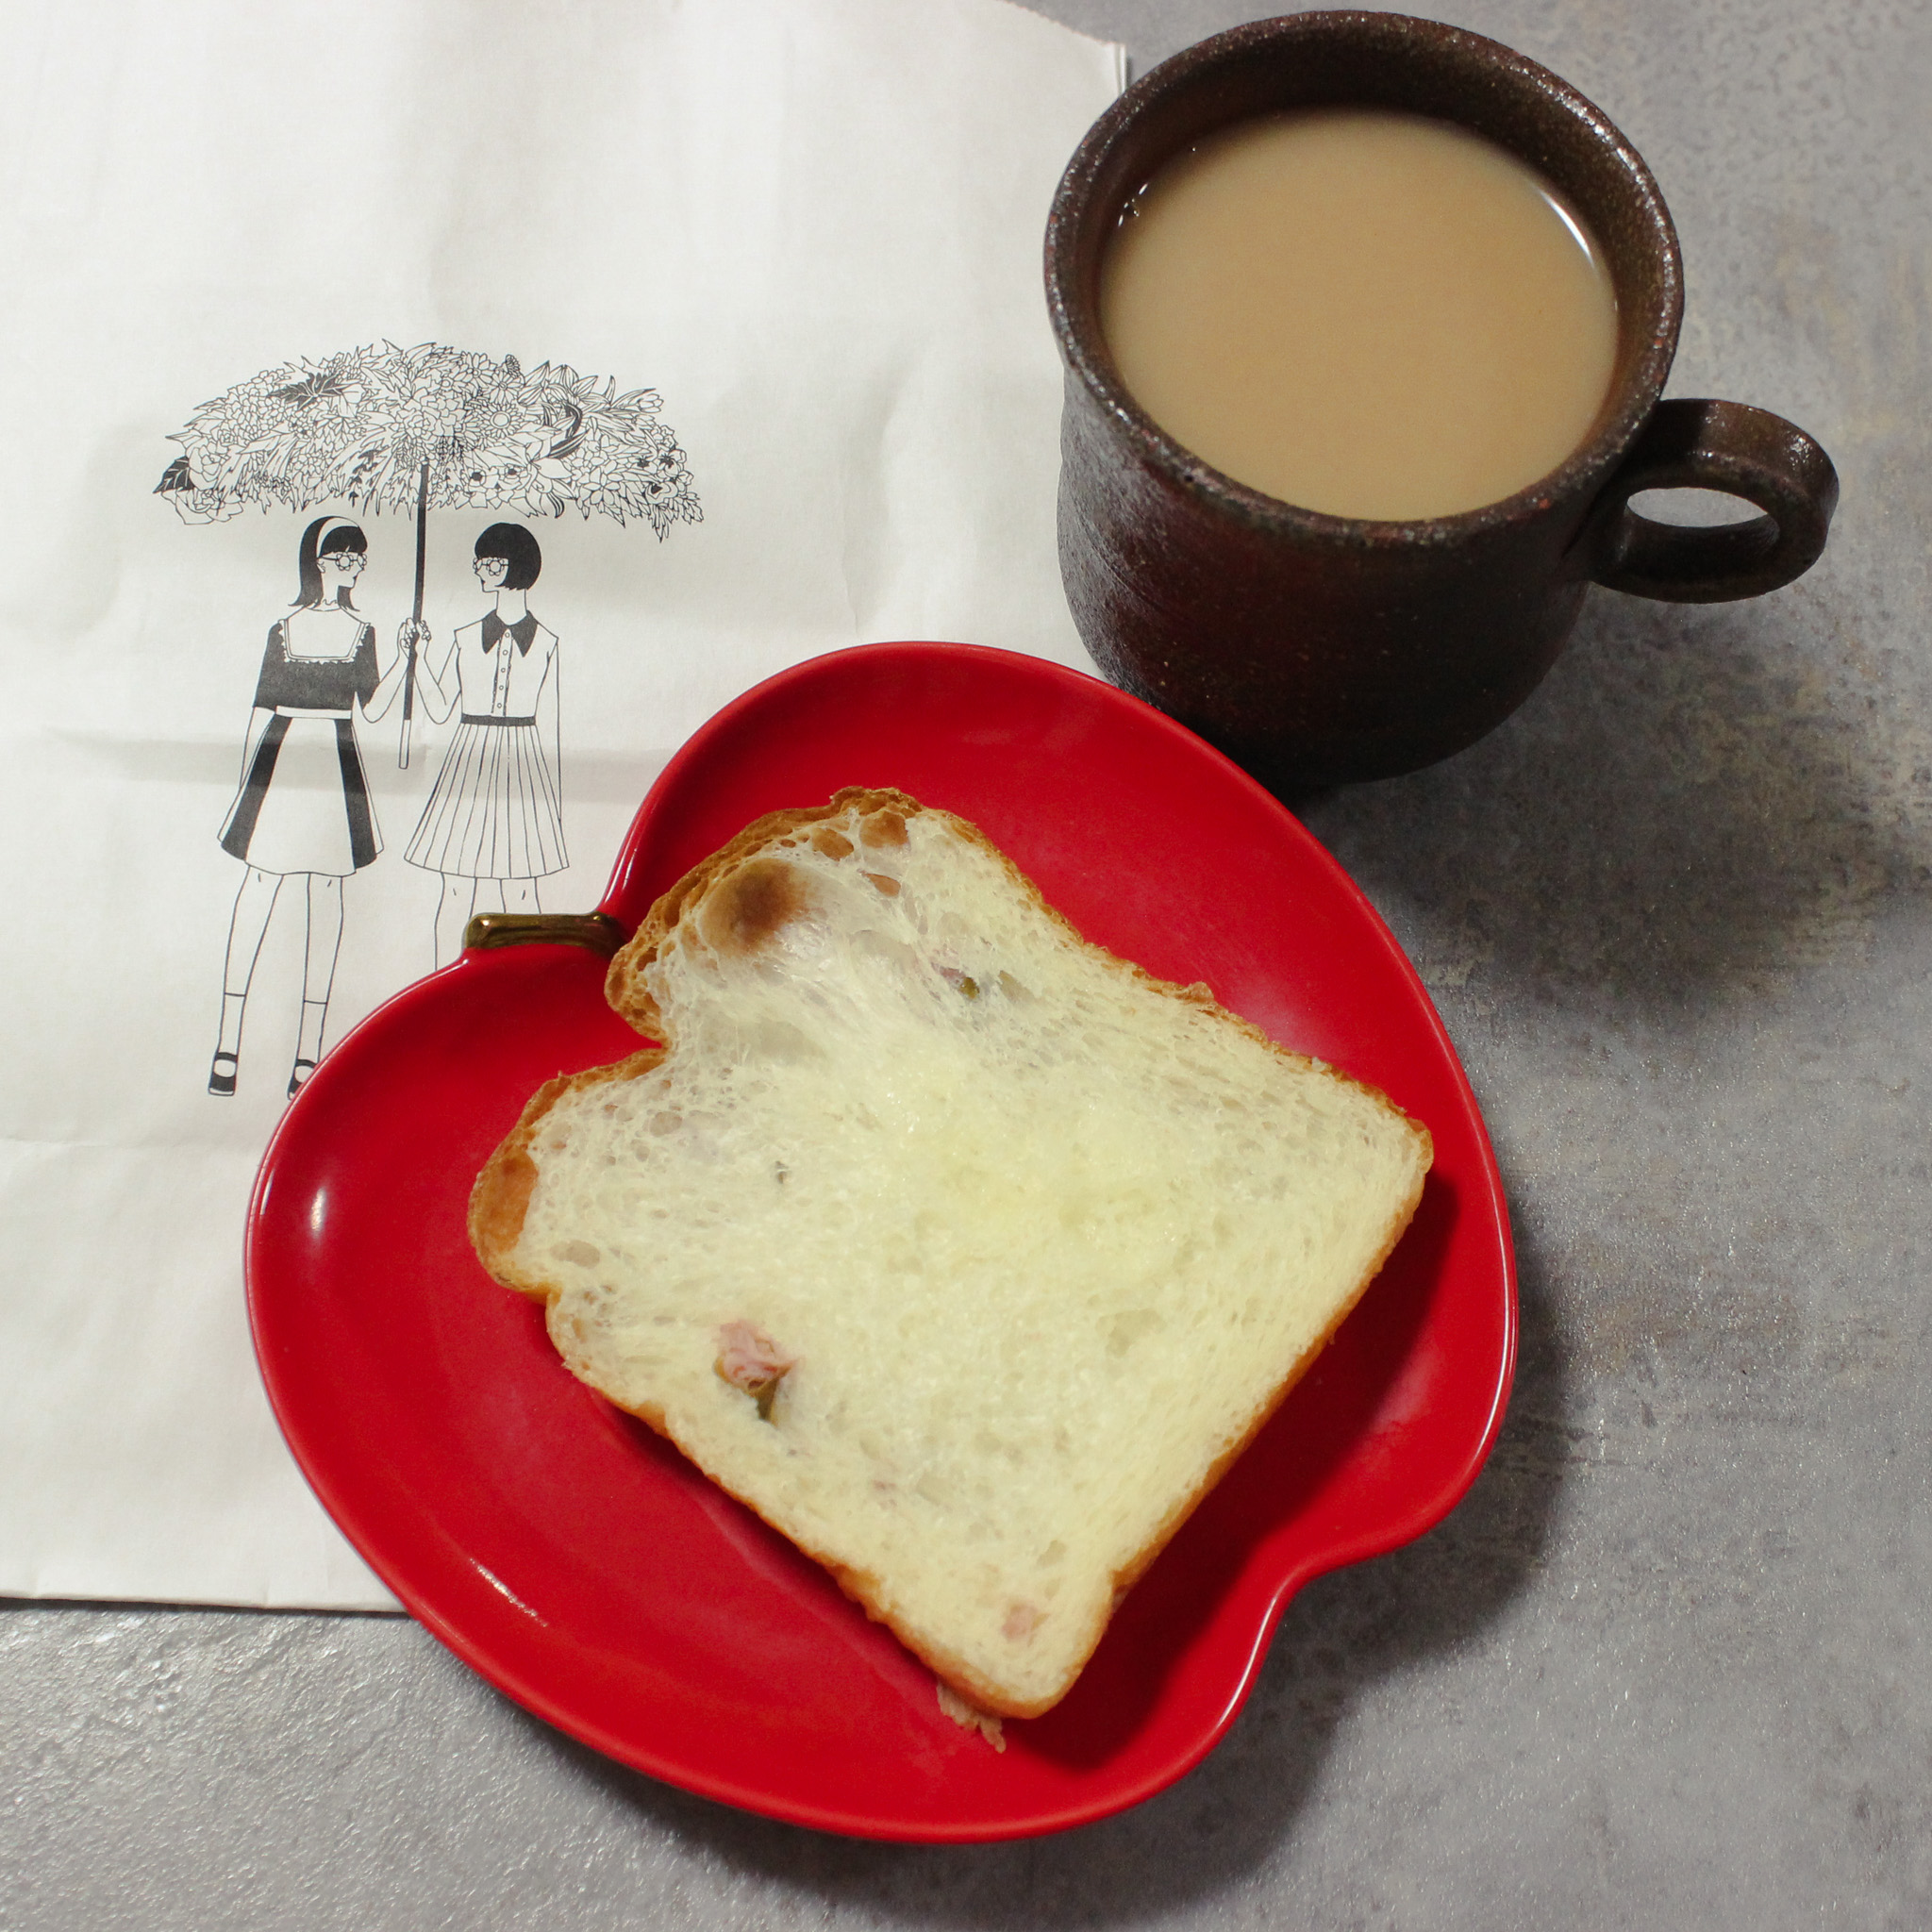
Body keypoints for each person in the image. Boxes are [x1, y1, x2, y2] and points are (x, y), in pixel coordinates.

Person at [208, 515, 409, 1097]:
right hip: (282, 758)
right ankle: (227, 1045)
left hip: (336, 761)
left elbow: (372, 710)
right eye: (343, 555)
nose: (354, 565)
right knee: (259, 887)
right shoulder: (283, 628)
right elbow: (259, 708)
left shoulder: (364, 631)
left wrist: (406, 658)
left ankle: (307, 1057)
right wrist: (241, 791)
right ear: (318, 561)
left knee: (325, 894)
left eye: (359, 557)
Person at [403, 523, 566, 966]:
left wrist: (553, 805)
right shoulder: (462, 637)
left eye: (489, 563)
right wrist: (417, 658)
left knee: (522, 889)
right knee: (456, 885)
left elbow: (553, 728)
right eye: (479, 563)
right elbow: (440, 709)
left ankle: (526, 985)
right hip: (469, 762)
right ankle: (441, 976)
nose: (479, 571)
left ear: (515, 567)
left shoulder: (547, 643)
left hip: (523, 762)